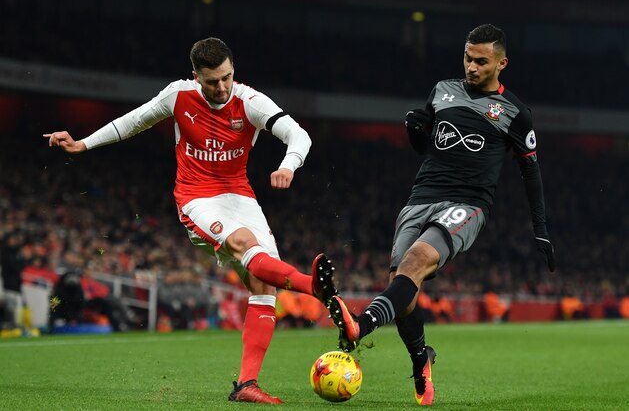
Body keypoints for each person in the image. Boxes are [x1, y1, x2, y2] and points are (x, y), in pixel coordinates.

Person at [44, 37, 337, 404]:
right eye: (212, 81)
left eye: (227, 77)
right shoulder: (179, 96)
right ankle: (316, 288)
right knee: (244, 244)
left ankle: (247, 384)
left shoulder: (249, 101)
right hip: (196, 197)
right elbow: (133, 121)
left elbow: (298, 135)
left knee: (264, 287)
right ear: (195, 75)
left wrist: (287, 165)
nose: (222, 87)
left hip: (240, 196)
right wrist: (82, 144)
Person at [322, 24, 556, 406]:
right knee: (404, 286)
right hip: (420, 198)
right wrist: (415, 131)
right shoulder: (441, 90)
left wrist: (541, 229)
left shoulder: (515, 113)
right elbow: (427, 146)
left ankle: (360, 325)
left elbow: (530, 171)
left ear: (502, 63)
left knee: (415, 260)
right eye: (467, 57)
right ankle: (421, 359)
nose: (472, 67)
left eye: (481, 61)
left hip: (468, 204)